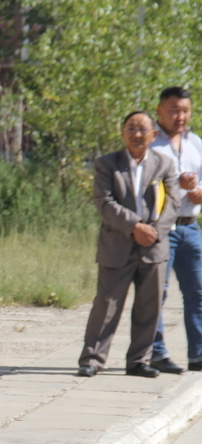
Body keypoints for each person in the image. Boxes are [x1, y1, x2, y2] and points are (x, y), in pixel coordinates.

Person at [77, 111, 179, 378]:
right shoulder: (107, 164)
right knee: (106, 305)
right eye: (131, 128)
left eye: (142, 129)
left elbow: (173, 202)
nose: (136, 134)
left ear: (153, 135)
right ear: (122, 132)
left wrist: (154, 232)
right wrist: (135, 226)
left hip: (154, 247)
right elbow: (104, 202)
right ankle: (92, 359)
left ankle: (138, 361)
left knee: (149, 307)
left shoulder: (165, 164)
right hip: (117, 245)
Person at [149, 87, 202, 374]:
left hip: (191, 228)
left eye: (185, 110)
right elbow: (141, 183)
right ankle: (156, 353)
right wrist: (174, 184)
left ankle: (198, 354)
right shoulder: (150, 142)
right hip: (161, 229)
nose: (180, 116)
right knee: (156, 293)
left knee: (198, 292)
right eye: (173, 110)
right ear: (159, 111)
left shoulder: (196, 143)